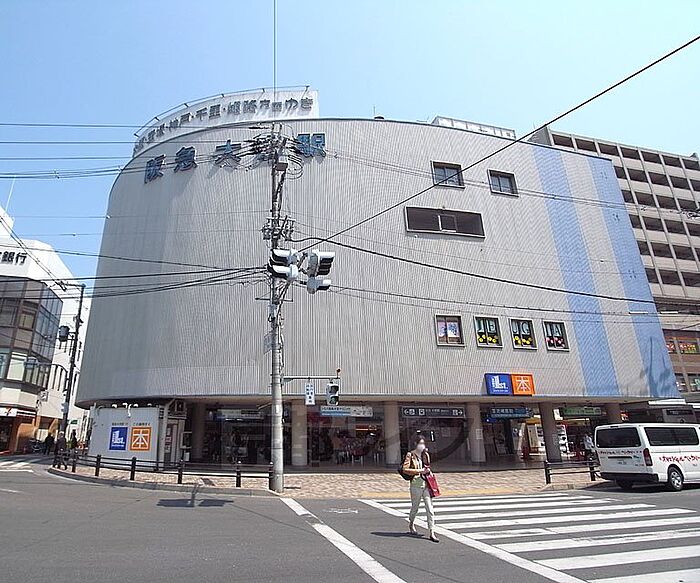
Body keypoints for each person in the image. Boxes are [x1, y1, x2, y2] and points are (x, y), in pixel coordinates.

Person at [402, 436, 439, 543]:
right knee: (415, 507)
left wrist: (426, 455)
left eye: (423, 443)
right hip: (416, 485)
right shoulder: (410, 455)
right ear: (416, 444)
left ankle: (431, 531)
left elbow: (428, 466)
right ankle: (411, 523)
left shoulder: (425, 454)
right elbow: (405, 469)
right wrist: (419, 471)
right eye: (420, 443)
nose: (422, 446)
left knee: (430, 509)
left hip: (426, 484)